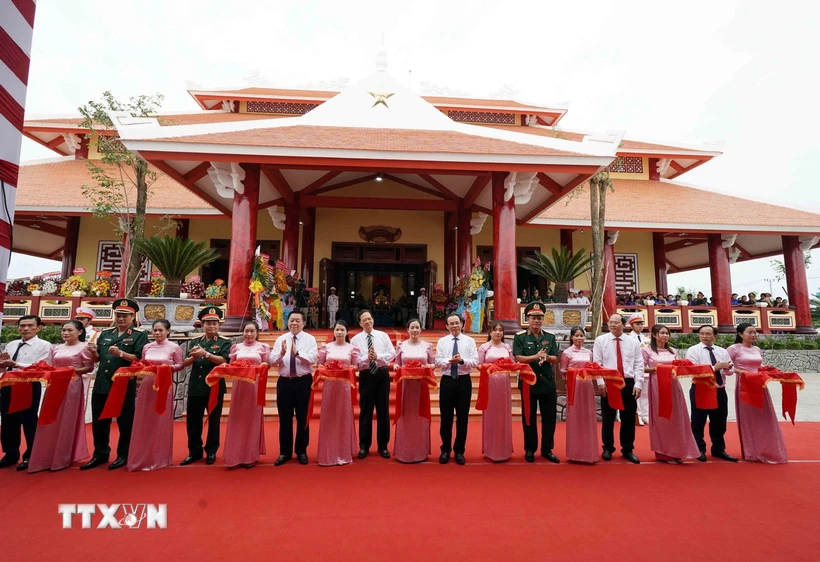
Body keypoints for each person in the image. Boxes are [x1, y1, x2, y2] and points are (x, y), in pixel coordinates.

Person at [81, 299, 148, 470]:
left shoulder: (139, 334)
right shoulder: (105, 334)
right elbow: (99, 359)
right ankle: (100, 453)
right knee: (99, 420)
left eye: (125, 315)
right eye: (118, 315)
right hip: (102, 383)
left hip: (123, 384)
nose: (121, 318)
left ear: (133, 317)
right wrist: (94, 352)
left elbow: (140, 358)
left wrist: (122, 353)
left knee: (124, 421)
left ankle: (123, 454)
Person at [27, 321, 94, 472]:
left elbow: (89, 367)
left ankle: (62, 457)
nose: (66, 333)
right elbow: (50, 366)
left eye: (70, 330)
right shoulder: (56, 348)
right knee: (50, 419)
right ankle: (46, 455)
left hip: (72, 386)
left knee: (66, 420)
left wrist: (74, 370)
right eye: (64, 330)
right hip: (55, 385)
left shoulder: (84, 347)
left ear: (80, 332)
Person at [0, 316, 56, 471]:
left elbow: (42, 367)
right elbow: (6, 366)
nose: (25, 329)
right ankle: (10, 454)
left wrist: (16, 364)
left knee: (29, 420)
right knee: (7, 420)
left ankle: (31, 454)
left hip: (29, 384)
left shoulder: (44, 345)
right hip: (9, 384)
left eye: (30, 326)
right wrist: (3, 364)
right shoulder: (12, 344)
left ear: (39, 327)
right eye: (22, 326)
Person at [128, 319, 183, 472]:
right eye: (155, 330)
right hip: (147, 384)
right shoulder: (147, 347)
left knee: (160, 419)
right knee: (144, 419)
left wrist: (168, 368)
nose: (157, 333)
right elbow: (143, 363)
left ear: (168, 331)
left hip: (164, 384)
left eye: (160, 330)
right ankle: (142, 456)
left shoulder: (174, 347)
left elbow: (180, 365)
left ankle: (159, 457)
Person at [728, 323, 787, 463]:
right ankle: (752, 451)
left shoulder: (757, 349)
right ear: (740, 334)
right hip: (745, 385)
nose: (753, 335)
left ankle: (766, 448)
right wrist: (743, 373)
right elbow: (727, 366)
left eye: (755, 332)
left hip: (760, 385)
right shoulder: (734, 349)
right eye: (750, 332)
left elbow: (759, 366)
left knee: (763, 416)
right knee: (749, 417)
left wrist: (769, 371)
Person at [642, 325, 700, 464]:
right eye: (662, 333)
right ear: (654, 335)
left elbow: (677, 367)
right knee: (662, 418)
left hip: (673, 385)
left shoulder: (672, 350)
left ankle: (677, 451)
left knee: (676, 418)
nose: (665, 336)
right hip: (657, 385)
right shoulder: (647, 351)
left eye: (667, 333)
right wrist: (657, 369)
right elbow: (641, 367)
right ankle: (664, 452)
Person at [181, 307, 230, 466]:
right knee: (193, 421)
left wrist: (206, 354)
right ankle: (194, 451)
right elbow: (186, 362)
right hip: (196, 385)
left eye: (215, 323)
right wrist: (192, 358)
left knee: (214, 420)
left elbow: (224, 361)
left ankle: (211, 451)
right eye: (208, 323)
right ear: (202, 325)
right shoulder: (195, 342)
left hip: (214, 387)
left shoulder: (224, 342)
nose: (212, 326)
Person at [593, 314, 644, 464]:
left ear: (623, 325)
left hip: (627, 382)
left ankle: (627, 449)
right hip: (609, 382)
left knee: (628, 417)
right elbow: (597, 362)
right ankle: (607, 447)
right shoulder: (601, 340)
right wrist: (600, 382)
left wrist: (638, 384)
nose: (613, 325)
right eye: (611, 323)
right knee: (608, 418)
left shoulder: (632, 342)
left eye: (616, 323)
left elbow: (638, 364)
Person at [513, 302, 560, 463]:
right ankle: (530, 449)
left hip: (547, 383)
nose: (537, 321)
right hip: (528, 383)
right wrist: (534, 357)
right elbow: (518, 358)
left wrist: (546, 357)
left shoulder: (549, 337)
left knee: (550, 418)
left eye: (539, 318)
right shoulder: (520, 337)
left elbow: (555, 358)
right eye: (533, 317)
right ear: (527, 319)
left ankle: (547, 449)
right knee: (529, 418)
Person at [270, 311, 318, 466]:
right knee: (285, 418)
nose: (294, 323)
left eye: (298, 320)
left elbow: (313, 359)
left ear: (303, 323)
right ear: (287, 322)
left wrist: (297, 353)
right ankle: (285, 452)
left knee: (303, 418)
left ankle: (301, 451)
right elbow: (271, 360)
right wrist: (281, 354)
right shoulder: (281, 339)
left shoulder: (309, 339)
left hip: (303, 382)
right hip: (284, 382)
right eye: (291, 320)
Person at [685, 325, 737, 462]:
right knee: (698, 421)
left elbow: (730, 371)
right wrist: (714, 368)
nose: (705, 336)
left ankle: (719, 449)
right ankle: (699, 449)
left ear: (715, 336)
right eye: (702, 334)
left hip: (719, 389)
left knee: (719, 420)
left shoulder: (721, 351)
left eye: (708, 334)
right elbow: (693, 369)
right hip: (701, 388)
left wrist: (728, 368)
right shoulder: (693, 350)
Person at [351, 309, 395, 459]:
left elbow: (392, 353)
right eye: (364, 320)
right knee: (365, 411)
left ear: (373, 319)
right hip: (366, 375)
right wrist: (367, 358)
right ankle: (364, 446)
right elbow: (355, 359)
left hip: (382, 374)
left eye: (369, 319)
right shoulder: (355, 339)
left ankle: (383, 446)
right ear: (360, 323)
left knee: (383, 411)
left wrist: (378, 357)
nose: (368, 322)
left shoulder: (383, 336)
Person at [435, 313, 479, 465]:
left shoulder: (469, 341)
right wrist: (449, 361)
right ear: (446, 326)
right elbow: (438, 361)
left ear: (461, 324)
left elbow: (475, 361)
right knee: (445, 418)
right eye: (451, 324)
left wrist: (462, 361)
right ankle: (445, 450)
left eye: (457, 323)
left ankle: (459, 451)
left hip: (463, 382)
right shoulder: (442, 341)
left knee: (462, 418)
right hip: (447, 381)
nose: (454, 326)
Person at [226, 320, 269, 468]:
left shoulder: (263, 347)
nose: (249, 334)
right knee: (237, 418)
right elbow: (230, 366)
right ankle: (234, 454)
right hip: (239, 386)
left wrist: (261, 367)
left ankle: (250, 456)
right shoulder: (236, 347)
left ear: (257, 333)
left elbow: (266, 364)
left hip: (254, 386)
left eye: (252, 331)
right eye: (246, 331)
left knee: (252, 419)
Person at [316, 320, 359, 467]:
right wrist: (325, 368)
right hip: (329, 387)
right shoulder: (326, 347)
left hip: (344, 387)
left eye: (342, 330)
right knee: (329, 417)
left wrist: (351, 368)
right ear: (333, 332)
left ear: (346, 332)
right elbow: (320, 364)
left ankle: (343, 452)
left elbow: (355, 365)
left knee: (343, 416)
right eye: (337, 330)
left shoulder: (352, 348)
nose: (339, 333)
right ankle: (327, 452)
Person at [392, 318, 435, 463]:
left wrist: (430, 367)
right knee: (406, 415)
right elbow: (397, 364)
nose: (415, 330)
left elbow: (432, 363)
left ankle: (420, 451)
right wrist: (397, 367)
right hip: (405, 386)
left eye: (417, 327)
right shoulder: (401, 345)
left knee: (419, 415)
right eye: (412, 327)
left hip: (420, 386)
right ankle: (404, 451)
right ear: (408, 329)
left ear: (420, 330)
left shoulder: (427, 346)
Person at [560, 326, 600, 464]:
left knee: (588, 416)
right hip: (574, 386)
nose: (579, 338)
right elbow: (563, 371)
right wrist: (573, 374)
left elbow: (592, 368)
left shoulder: (589, 352)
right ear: (571, 337)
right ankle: (575, 452)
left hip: (587, 385)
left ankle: (589, 451)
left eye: (581, 336)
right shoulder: (566, 353)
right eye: (576, 336)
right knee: (575, 416)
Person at [477, 321, 515, 462]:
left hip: (504, 384)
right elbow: (479, 366)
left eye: (500, 330)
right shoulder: (484, 347)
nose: (498, 332)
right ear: (490, 332)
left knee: (504, 414)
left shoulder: (507, 347)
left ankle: (504, 448)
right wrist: (492, 367)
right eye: (495, 330)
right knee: (491, 414)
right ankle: (490, 449)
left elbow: (511, 364)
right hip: (490, 383)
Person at [626, 314, 649, 426]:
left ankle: (645, 415)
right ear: (631, 325)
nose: (640, 326)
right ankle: (638, 415)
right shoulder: (628, 339)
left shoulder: (647, 339)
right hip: (633, 369)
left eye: (641, 324)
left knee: (645, 394)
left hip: (646, 369)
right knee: (635, 394)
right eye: (637, 324)